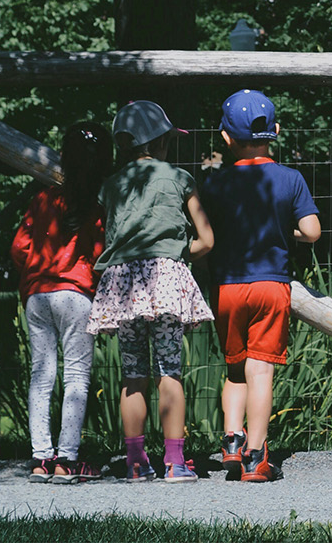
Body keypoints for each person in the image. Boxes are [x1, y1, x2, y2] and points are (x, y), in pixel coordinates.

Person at [86, 101, 215, 483]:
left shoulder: (111, 185)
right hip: (166, 280)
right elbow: (206, 240)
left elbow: (102, 236)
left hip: (124, 284)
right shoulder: (179, 178)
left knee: (133, 375)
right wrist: (176, 253)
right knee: (169, 369)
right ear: (160, 141)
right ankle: (175, 463)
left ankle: (136, 463)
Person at [200, 90, 321, 482]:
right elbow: (312, 231)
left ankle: (231, 444)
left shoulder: (215, 184)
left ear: (225, 137)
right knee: (262, 372)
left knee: (235, 369)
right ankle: (256, 455)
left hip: (229, 288)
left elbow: (206, 234)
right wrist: (286, 230)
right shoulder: (290, 178)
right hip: (272, 286)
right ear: (277, 132)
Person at [11, 123, 111, 484]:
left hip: (38, 295)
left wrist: (37, 271)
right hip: (77, 295)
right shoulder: (96, 209)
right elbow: (100, 257)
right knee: (77, 378)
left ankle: (39, 457)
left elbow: (19, 248)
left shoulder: (42, 199)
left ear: (64, 159)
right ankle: (66, 460)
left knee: (42, 375)